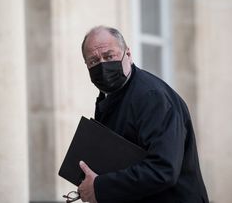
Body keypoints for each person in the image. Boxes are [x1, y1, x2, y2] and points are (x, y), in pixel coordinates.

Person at [77, 26, 209, 203]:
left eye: (109, 56)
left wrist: (99, 187)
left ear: (128, 55)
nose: (102, 65)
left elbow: (163, 170)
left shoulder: (152, 97)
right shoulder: (111, 97)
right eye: (93, 61)